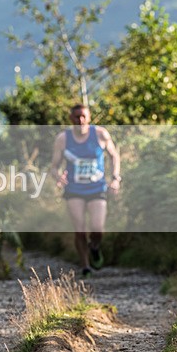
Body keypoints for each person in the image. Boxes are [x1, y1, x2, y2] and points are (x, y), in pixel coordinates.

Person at [50, 104, 121, 277]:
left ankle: (95, 247)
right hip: (74, 189)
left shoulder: (100, 134)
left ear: (89, 118)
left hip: (97, 188)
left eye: (83, 116)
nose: (80, 120)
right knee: (79, 228)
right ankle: (85, 266)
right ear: (70, 118)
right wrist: (58, 177)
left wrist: (116, 178)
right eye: (76, 117)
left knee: (97, 228)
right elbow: (53, 167)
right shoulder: (63, 139)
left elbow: (114, 156)